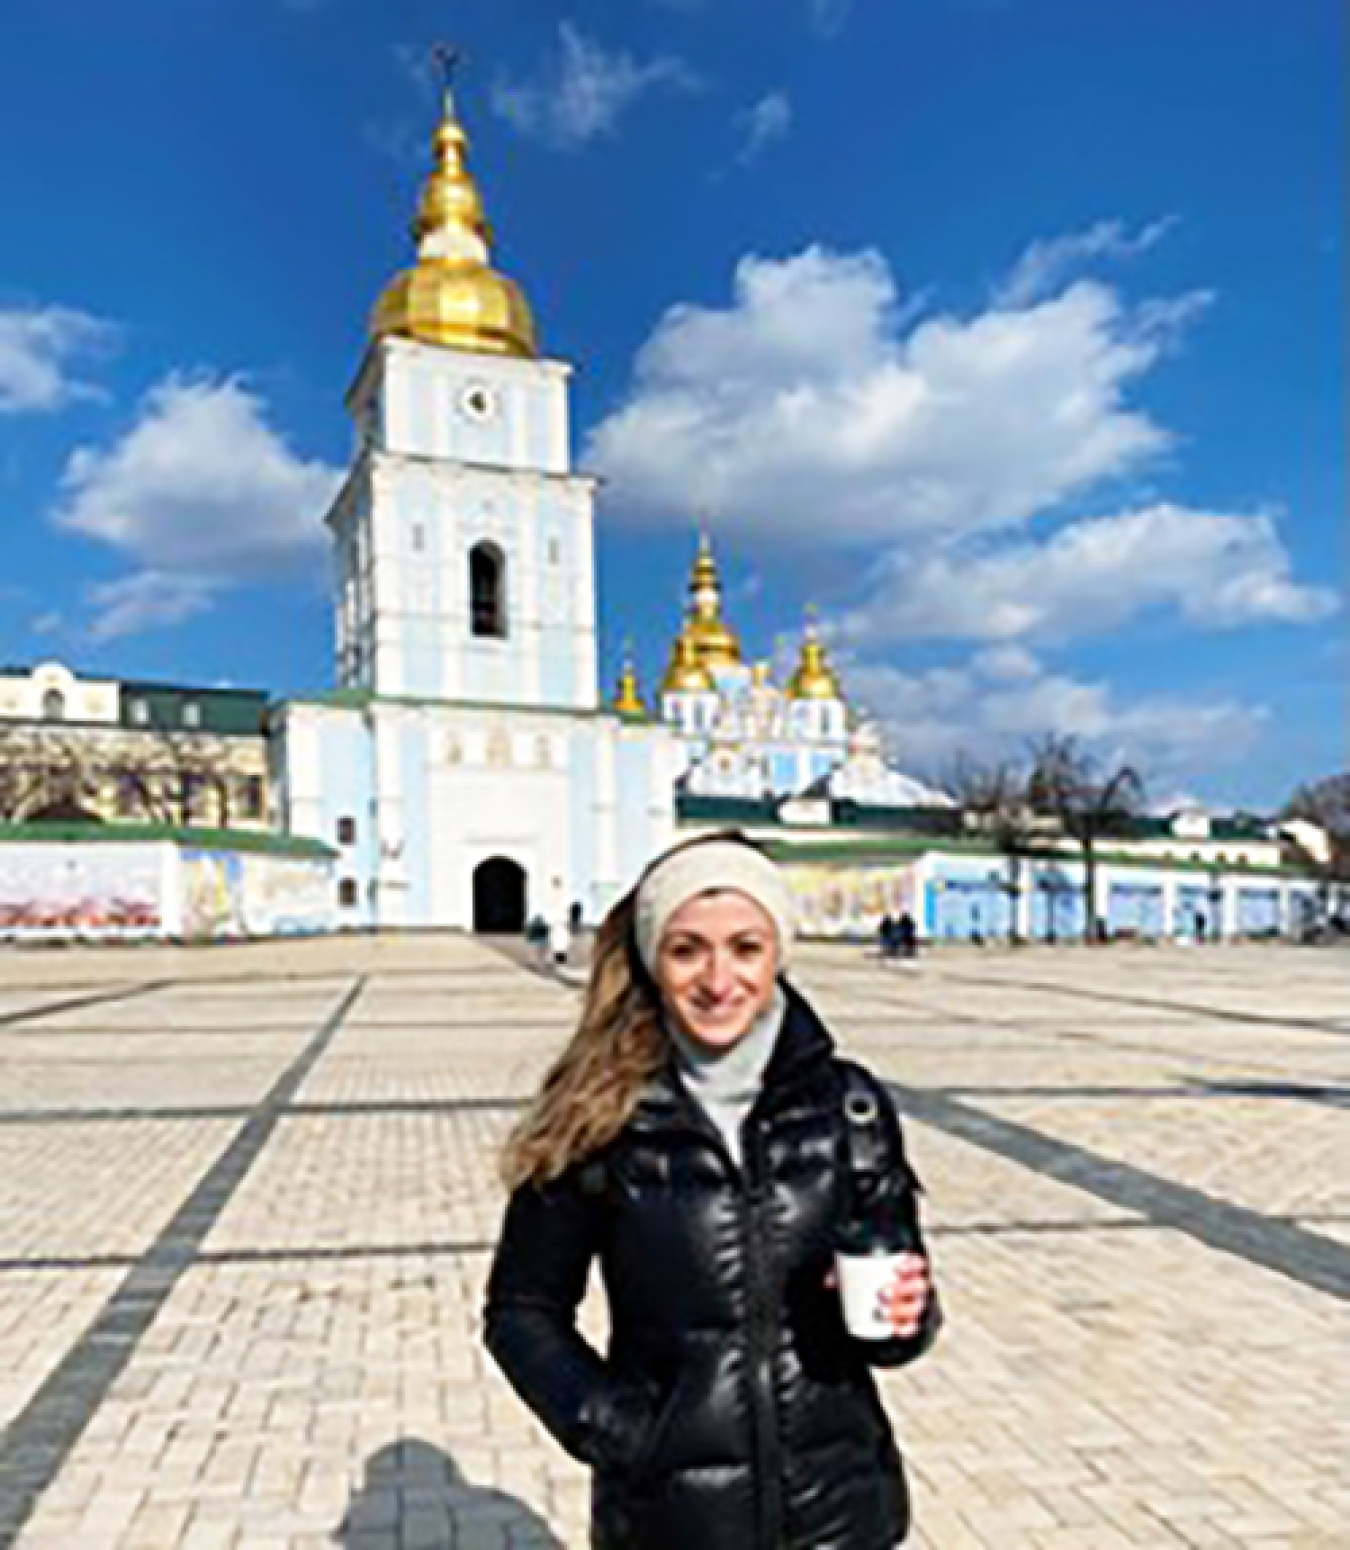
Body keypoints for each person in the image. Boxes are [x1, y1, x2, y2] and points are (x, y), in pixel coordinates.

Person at [485, 831, 940, 1550]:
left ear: (778, 955)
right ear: (652, 961)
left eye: (745, 948)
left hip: (840, 1511)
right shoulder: (595, 1115)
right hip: (671, 1521)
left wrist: (906, 1318)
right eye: (688, 948)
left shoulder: (849, 1108)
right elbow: (522, 1310)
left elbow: (899, 1313)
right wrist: (612, 1425)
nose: (718, 979)